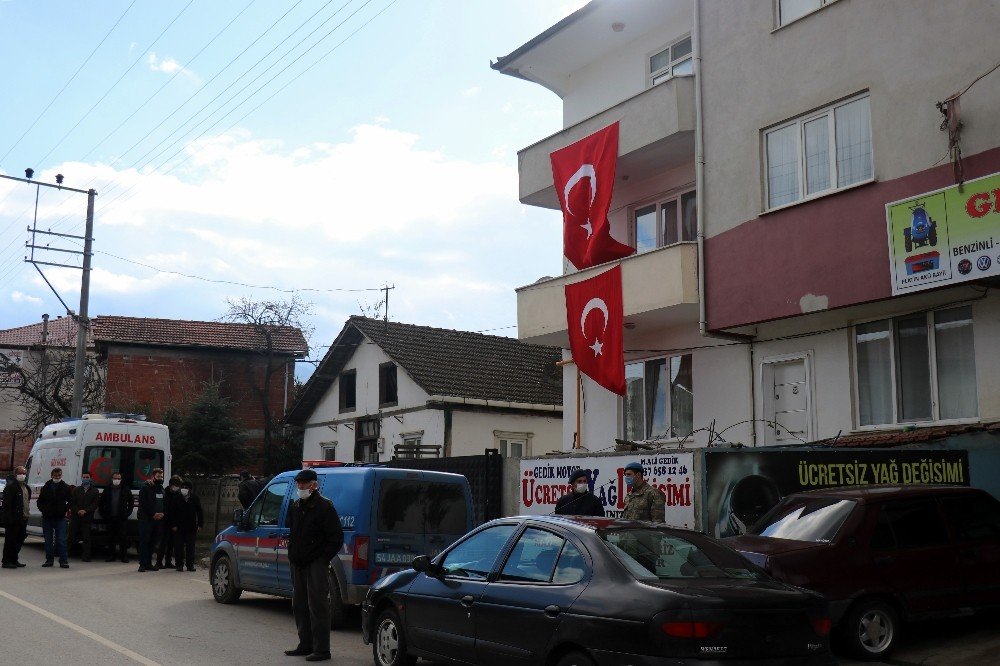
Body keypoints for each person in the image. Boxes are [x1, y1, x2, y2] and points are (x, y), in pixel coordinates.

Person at [284, 469, 343, 662]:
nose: (300, 487)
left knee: (317, 605)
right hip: (298, 562)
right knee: (299, 604)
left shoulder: (324, 507)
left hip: (316, 562)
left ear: (314, 485)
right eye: (298, 484)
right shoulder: (296, 506)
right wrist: (293, 553)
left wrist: (322, 559)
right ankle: (305, 644)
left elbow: (336, 538)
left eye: (304, 483)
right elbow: (292, 532)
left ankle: (322, 649)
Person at [36, 467, 72, 568]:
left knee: (61, 540)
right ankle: (49, 560)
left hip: (60, 518)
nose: (57, 477)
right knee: (48, 540)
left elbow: (71, 501)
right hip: (47, 518)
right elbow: (40, 501)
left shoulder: (65, 487)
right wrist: (43, 509)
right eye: (55, 475)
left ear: (61, 475)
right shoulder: (46, 487)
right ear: (52, 475)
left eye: (59, 475)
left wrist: (64, 509)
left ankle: (63, 561)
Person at [169, 480, 203, 572]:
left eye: (186, 488)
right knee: (178, 547)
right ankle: (179, 564)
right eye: (182, 487)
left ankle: (190, 565)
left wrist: (200, 524)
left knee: (190, 547)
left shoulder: (195, 498)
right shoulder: (177, 498)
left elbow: (199, 512)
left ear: (190, 489)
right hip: (178, 527)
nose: (184, 489)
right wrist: (173, 525)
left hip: (191, 527)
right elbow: (172, 512)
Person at [99, 471, 133, 563]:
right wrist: (104, 515)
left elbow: (131, 502)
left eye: (118, 478)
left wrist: (127, 513)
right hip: (110, 518)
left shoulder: (126, 489)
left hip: (121, 518)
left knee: (123, 538)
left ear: (121, 480)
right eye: (115, 478)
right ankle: (111, 556)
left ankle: (124, 557)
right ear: (112, 479)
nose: (116, 480)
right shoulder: (107, 489)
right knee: (111, 538)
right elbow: (101, 503)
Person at [137, 468, 166, 572]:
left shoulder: (161, 489)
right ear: (153, 476)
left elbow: (164, 503)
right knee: (145, 542)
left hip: (158, 520)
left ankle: (149, 563)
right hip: (146, 519)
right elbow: (144, 504)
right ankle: (142, 564)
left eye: (161, 477)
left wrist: (163, 513)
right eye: (158, 476)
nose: (160, 478)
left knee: (153, 543)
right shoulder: (145, 488)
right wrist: (153, 514)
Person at [1, 466, 31, 569]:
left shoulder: (26, 488)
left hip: (23, 518)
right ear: (16, 474)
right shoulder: (11, 487)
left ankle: (14, 559)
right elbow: (7, 505)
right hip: (13, 520)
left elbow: (27, 502)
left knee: (19, 540)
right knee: (10, 541)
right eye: (20, 473)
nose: (22, 475)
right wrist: (9, 519)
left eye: (24, 473)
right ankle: (6, 561)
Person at [67, 472, 101, 561]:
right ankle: (65, 554)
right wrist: (78, 510)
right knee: (70, 536)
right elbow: (72, 503)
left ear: (90, 478)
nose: (85, 478)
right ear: (81, 478)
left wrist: (85, 511)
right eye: (84, 477)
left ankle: (86, 556)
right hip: (75, 517)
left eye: (87, 477)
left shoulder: (95, 491)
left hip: (87, 518)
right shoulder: (76, 490)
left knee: (86, 538)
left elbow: (95, 504)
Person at [157, 475, 183, 569]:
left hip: (174, 522)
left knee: (171, 544)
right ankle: (159, 562)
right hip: (165, 521)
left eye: (178, 485)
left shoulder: (178, 494)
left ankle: (168, 561)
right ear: (171, 484)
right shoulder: (165, 493)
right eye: (176, 485)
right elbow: (165, 508)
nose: (177, 487)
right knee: (163, 543)